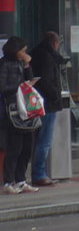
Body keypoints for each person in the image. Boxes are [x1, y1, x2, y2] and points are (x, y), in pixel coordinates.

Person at [29, 30, 70, 187]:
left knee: (39, 140)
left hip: (39, 103)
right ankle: (39, 173)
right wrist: (55, 95)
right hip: (47, 104)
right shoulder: (47, 58)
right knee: (44, 140)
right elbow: (46, 82)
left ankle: (38, 172)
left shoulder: (39, 54)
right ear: (54, 43)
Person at [1, 36, 39, 194]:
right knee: (14, 147)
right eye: (22, 51)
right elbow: (3, 87)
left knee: (26, 147)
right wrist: (20, 86)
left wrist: (27, 65)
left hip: (24, 108)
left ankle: (21, 179)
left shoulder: (19, 63)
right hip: (12, 108)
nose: (24, 54)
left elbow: (29, 78)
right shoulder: (5, 64)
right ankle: (8, 181)